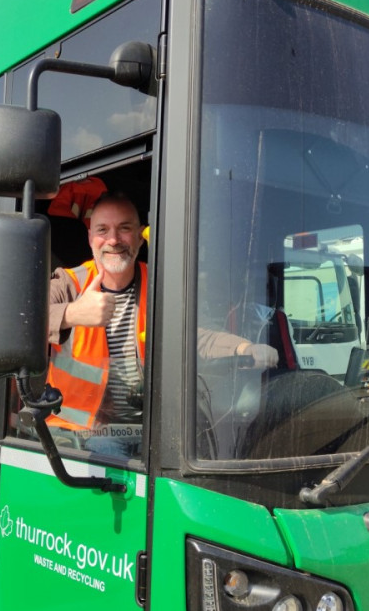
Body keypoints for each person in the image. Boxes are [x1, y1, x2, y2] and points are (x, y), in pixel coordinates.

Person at [46, 192, 278, 454]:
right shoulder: (69, 283)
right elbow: (19, 323)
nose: (113, 239)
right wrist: (72, 314)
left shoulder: (159, 282)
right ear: (90, 238)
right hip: (82, 433)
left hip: (151, 427)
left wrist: (245, 349)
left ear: (139, 236)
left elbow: (195, 334)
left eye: (124, 228)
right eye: (103, 230)